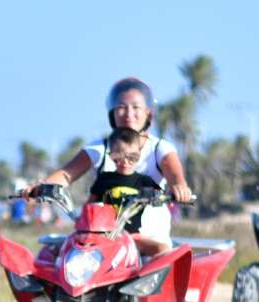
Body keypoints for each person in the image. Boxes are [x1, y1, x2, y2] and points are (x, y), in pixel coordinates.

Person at [34, 77, 194, 204]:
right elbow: (67, 174)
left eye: (136, 107)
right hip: (103, 233)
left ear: (148, 114)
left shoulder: (160, 148)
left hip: (150, 236)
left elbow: (172, 170)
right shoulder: (100, 148)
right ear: (112, 113)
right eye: (122, 107)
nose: (129, 114)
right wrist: (41, 186)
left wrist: (179, 187)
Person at [87, 127, 172, 255]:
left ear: (139, 154)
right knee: (69, 249)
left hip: (132, 238)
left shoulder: (145, 182)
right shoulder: (104, 179)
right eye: (119, 156)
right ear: (111, 155)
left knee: (162, 250)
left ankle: (149, 275)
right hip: (103, 237)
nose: (126, 161)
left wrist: (174, 195)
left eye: (132, 156)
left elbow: (163, 197)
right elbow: (89, 206)